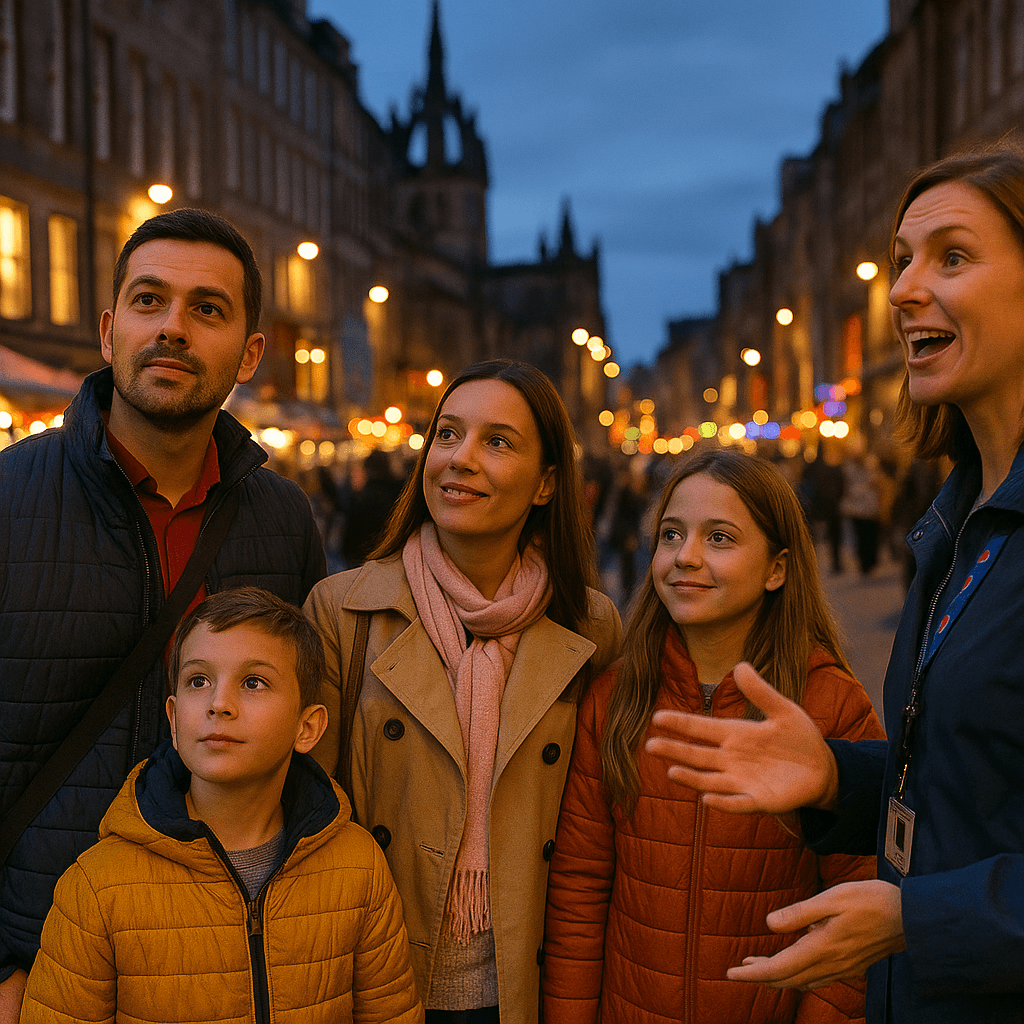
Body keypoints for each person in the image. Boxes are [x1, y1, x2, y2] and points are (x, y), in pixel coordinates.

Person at [644, 145, 1024, 1023]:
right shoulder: (958, 520)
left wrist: (920, 917)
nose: (899, 291)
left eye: (952, 257)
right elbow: (977, 780)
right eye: (901, 262)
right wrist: (835, 781)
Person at [0, 208, 326, 1020]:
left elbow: (315, 750)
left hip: (226, 969)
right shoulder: (9, 498)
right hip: (36, 963)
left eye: (207, 309)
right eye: (150, 302)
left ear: (251, 352)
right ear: (110, 330)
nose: (173, 328)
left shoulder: (283, 521)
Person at [304, 359, 621, 1022]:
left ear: (546, 484)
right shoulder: (343, 612)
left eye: (498, 442)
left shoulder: (589, 626)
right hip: (384, 981)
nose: (461, 459)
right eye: (448, 435)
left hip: (525, 983)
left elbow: (600, 832)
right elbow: (310, 820)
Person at [543, 450, 883, 1023]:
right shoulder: (616, 697)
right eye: (671, 534)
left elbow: (855, 919)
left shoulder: (829, 703)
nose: (686, 557)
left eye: (720, 538)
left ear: (776, 568)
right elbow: (580, 890)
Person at [20, 588, 423, 1024]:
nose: (218, 704)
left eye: (254, 682)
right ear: (173, 721)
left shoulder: (358, 868)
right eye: (198, 680)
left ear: (307, 728)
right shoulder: (97, 888)